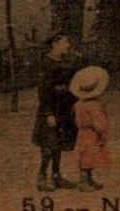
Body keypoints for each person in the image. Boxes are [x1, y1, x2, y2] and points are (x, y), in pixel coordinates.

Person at [32, 34, 78, 191]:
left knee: (58, 142)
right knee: (48, 144)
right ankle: (41, 177)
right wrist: (48, 113)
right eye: (65, 42)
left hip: (63, 108)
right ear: (55, 44)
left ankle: (56, 176)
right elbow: (43, 91)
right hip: (50, 109)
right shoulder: (46, 64)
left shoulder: (66, 63)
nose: (68, 45)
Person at [68, 65, 111, 192]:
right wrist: (102, 132)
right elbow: (99, 122)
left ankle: (88, 179)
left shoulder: (78, 104)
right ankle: (83, 181)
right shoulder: (95, 105)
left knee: (85, 155)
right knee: (88, 156)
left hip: (82, 132)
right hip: (92, 133)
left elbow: (76, 119)